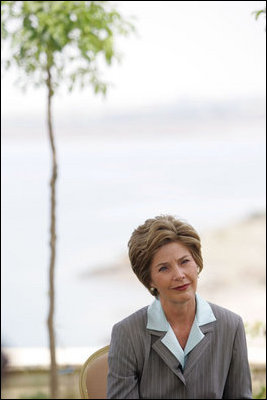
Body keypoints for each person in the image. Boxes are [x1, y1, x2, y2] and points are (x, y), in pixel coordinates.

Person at [107, 215, 252, 399]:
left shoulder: (231, 326)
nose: (179, 275)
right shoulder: (127, 334)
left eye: (184, 262)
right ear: (149, 279)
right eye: (164, 268)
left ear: (197, 263)